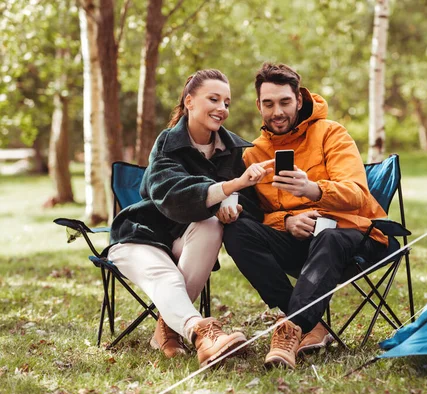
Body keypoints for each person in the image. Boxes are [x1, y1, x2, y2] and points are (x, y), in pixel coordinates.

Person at [223, 63, 388, 369]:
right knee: (236, 231)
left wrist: (313, 190)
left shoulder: (331, 133)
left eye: (285, 102)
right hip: (299, 244)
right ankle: (310, 326)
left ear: (299, 100)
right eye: (269, 104)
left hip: (353, 236)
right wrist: (285, 222)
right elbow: (257, 216)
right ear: (258, 105)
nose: (278, 112)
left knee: (328, 236)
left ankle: (289, 330)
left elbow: (357, 195)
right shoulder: (253, 155)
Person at [106, 69, 273, 366]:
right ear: (190, 101)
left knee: (211, 224)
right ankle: (201, 332)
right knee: (167, 275)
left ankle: (168, 328)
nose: (222, 108)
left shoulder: (234, 149)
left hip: (187, 240)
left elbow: (252, 197)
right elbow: (173, 195)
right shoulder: (168, 144)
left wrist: (233, 201)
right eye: (214, 99)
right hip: (141, 236)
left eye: (227, 102)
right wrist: (231, 187)